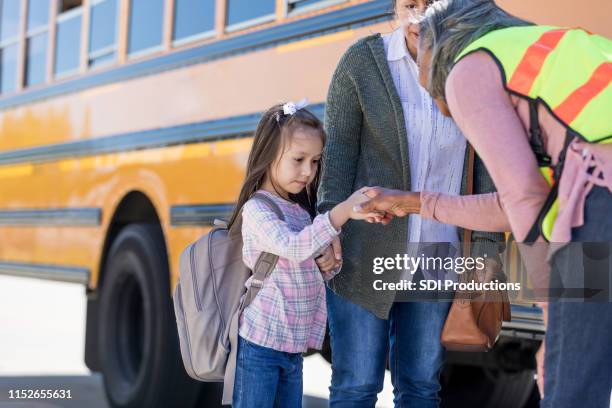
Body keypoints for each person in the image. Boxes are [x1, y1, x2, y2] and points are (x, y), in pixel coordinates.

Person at [355, 1, 612, 407]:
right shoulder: (546, 49)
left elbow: (524, 199)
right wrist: (415, 203)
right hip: (598, 186)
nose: (439, 104)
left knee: (571, 393)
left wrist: (555, 324)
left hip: (603, 194)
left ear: (438, 49)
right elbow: (516, 204)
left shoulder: (469, 69)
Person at [317, 0, 504, 406]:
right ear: (396, 8)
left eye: (432, 3)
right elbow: (339, 155)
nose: (419, 16)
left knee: (420, 387)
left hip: (439, 253)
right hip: (363, 252)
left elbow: (489, 162)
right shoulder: (363, 63)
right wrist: (326, 230)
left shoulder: (471, 67)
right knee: (356, 385)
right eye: (410, 4)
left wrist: (488, 249)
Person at [226, 101, 380, 408]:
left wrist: (330, 263)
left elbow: (310, 266)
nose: (308, 171)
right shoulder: (257, 209)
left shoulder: (299, 212)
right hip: (259, 346)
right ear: (269, 153)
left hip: (292, 348)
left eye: (315, 161)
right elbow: (294, 247)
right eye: (299, 159)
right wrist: (342, 211)